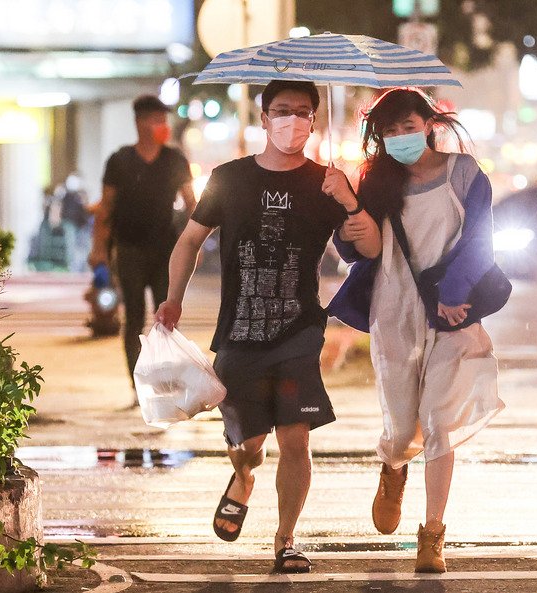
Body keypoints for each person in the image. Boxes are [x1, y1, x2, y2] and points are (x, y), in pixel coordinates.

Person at [155, 80, 380, 574]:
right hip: (238, 334)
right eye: (282, 111)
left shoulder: (327, 184)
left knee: (296, 438)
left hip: (300, 332)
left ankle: (285, 541)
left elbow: (370, 248)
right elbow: (189, 241)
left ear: (314, 121)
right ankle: (243, 477)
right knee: (249, 443)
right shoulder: (229, 178)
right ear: (264, 118)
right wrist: (173, 299)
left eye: (303, 112)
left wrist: (349, 201)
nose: (292, 121)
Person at [330, 88, 505, 573]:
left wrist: (454, 291)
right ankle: (392, 465)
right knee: (404, 424)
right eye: (389, 132)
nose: (400, 138)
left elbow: (480, 240)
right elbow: (359, 251)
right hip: (394, 311)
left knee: (438, 423)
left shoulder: (465, 173)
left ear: (429, 123)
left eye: (408, 127)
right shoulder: (374, 181)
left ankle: (432, 535)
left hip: (452, 312)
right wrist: (346, 212)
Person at [88, 95, 196, 397]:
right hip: (129, 250)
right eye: (157, 120)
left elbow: (191, 204)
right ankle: (139, 387)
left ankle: (165, 381)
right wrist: (98, 249)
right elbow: (106, 209)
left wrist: (192, 244)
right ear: (140, 123)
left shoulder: (175, 159)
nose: (163, 126)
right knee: (134, 318)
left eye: (164, 120)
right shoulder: (120, 160)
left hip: (166, 251)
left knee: (167, 320)